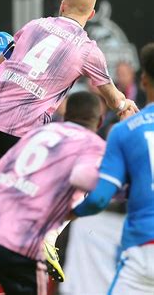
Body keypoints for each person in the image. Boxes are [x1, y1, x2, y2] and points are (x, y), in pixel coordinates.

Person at [0, 91, 106, 295]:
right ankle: (49, 239)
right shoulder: (93, 145)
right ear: (99, 122)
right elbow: (94, 191)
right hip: (21, 241)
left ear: (65, 115)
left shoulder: (37, 134)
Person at [0, 0, 138, 161]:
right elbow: (114, 100)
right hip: (20, 137)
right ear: (91, 14)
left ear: (62, 5)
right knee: (67, 172)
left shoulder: (34, 25)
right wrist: (125, 105)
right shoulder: (88, 50)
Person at [72, 43, 154, 294]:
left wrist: (68, 214)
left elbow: (98, 199)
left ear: (143, 80)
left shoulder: (125, 131)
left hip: (144, 250)